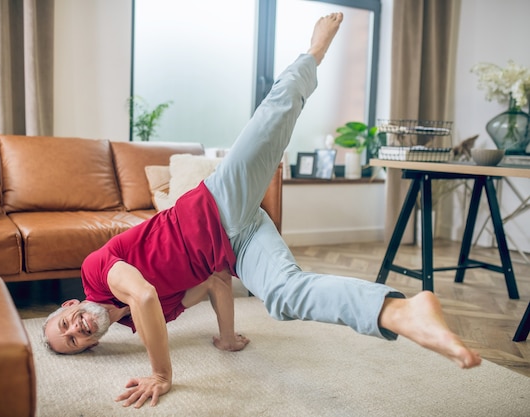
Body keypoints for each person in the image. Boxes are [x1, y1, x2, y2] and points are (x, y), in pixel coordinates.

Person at [43, 12, 481, 409]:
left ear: (69, 304)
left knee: (274, 116)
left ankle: (314, 52)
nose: (75, 330)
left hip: (215, 204)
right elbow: (215, 282)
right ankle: (399, 311)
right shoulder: (143, 324)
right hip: (240, 242)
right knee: (284, 295)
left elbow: (142, 293)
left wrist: (161, 373)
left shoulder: (96, 273)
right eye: (75, 342)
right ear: (91, 345)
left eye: (65, 324)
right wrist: (228, 337)